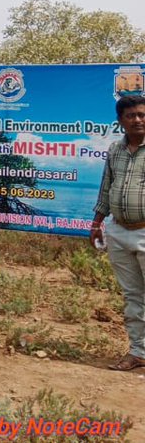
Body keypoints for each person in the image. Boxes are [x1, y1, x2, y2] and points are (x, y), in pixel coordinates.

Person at [90, 94, 145, 371]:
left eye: (142, 114)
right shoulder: (114, 150)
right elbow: (105, 189)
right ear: (120, 120)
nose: (137, 120)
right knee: (133, 295)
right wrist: (97, 222)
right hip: (119, 231)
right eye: (131, 115)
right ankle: (138, 352)